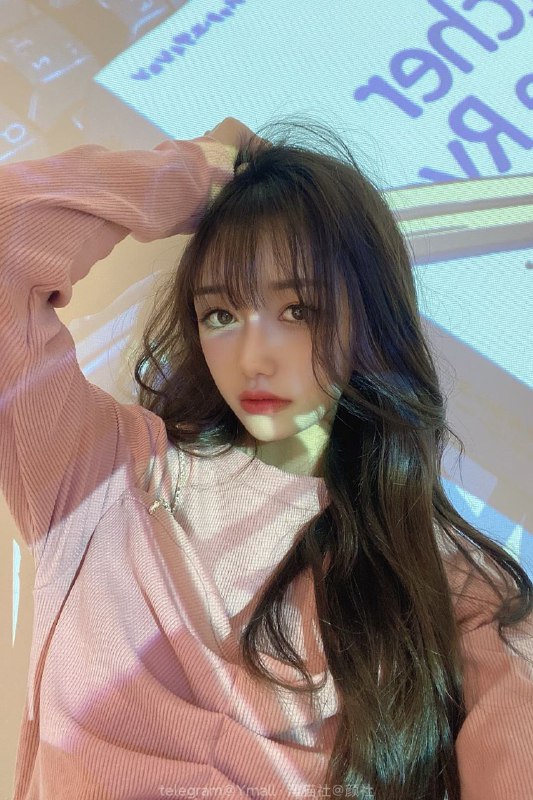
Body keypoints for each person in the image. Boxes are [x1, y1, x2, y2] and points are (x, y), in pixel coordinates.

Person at [0, 115, 532, 800]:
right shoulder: (99, 468)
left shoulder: (455, 589)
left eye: (299, 310)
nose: (254, 356)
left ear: (369, 317)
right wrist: (202, 169)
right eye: (220, 314)